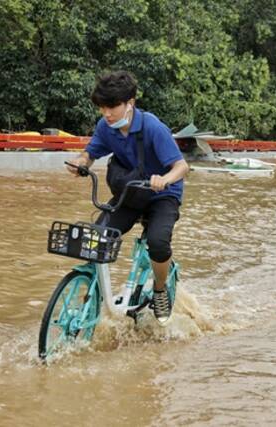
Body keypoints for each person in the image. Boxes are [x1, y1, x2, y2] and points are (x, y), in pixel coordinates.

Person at [67, 71, 189, 326]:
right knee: (96, 237)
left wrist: (164, 179)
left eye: (112, 107)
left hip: (162, 195)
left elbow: (181, 167)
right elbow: (91, 153)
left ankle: (159, 289)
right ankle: (93, 296)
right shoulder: (105, 127)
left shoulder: (152, 127)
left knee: (157, 242)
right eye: (102, 107)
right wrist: (80, 162)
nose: (106, 113)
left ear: (129, 102)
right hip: (130, 193)